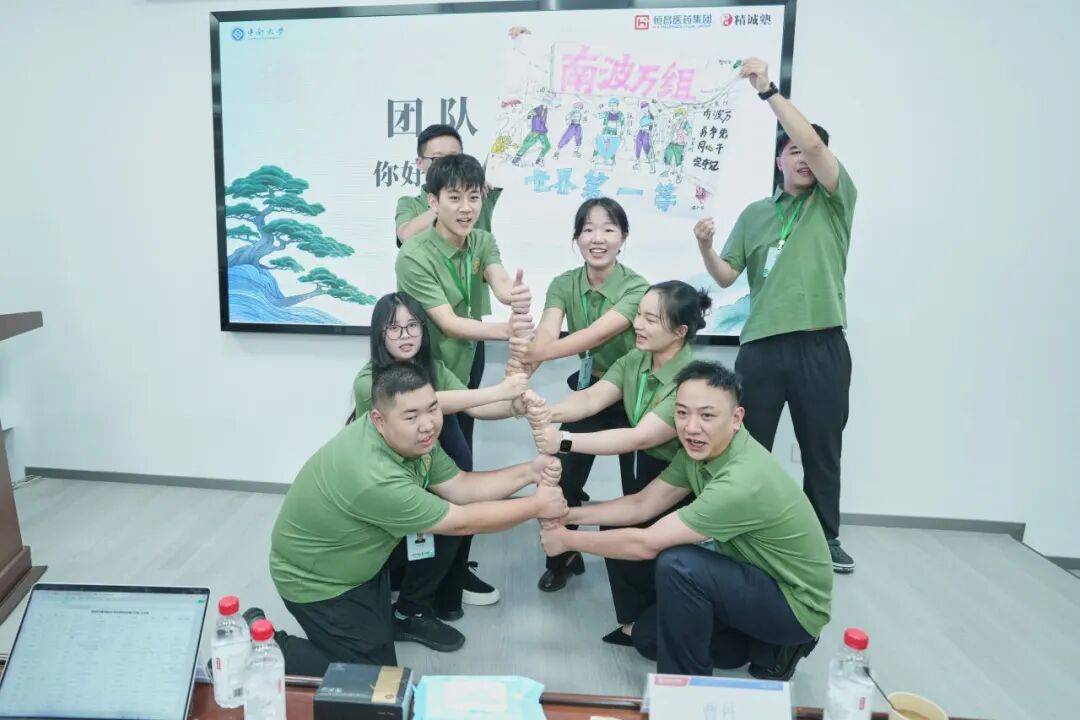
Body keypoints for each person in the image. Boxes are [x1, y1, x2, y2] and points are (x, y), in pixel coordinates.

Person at [256, 362, 567, 677]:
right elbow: (461, 521)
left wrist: (530, 471)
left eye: (432, 409)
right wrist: (536, 505)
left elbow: (461, 487)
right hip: (316, 581)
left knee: (379, 664)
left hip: (359, 565)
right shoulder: (374, 475)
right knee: (371, 680)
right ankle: (258, 646)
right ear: (379, 420)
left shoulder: (412, 441)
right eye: (411, 416)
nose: (427, 424)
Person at [539, 360, 832, 680]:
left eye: (707, 416)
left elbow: (646, 544)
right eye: (681, 413)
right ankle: (764, 648)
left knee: (679, 565)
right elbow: (642, 504)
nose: (691, 427)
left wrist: (566, 540)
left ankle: (685, 694)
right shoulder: (699, 452)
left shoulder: (742, 479)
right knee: (647, 639)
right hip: (751, 576)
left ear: (736, 418)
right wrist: (567, 515)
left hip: (794, 604)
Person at [693, 57, 858, 573]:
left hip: (821, 344)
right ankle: (737, 529)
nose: (805, 157)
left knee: (821, 447)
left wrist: (767, 90)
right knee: (745, 446)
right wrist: (705, 247)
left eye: (812, 149)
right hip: (762, 347)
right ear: (780, 160)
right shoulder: (756, 214)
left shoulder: (834, 202)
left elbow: (816, 147)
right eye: (794, 150)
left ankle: (824, 537)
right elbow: (726, 277)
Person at [530, 281, 708, 640]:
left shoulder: (692, 379)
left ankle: (666, 621)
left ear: (680, 332)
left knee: (655, 546)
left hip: (678, 476)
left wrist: (564, 440)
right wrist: (545, 411)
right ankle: (635, 624)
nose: (637, 324)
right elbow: (592, 399)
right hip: (642, 463)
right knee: (619, 531)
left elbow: (641, 436)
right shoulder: (635, 360)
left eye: (650, 320)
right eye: (638, 315)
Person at [351, 292, 528, 629]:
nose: (405, 335)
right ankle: (409, 608)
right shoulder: (368, 381)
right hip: (381, 486)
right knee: (445, 521)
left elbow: (477, 406)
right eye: (394, 328)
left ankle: (422, 599)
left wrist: (515, 405)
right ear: (379, 335)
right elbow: (425, 401)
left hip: (419, 474)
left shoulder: (435, 368)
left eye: (413, 325)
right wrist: (499, 391)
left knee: (451, 514)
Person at [508, 197, 648, 592]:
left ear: (623, 238)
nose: (597, 238)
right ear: (576, 238)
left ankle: (642, 572)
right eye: (588, 229)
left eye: (608, 229)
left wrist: (528, 353)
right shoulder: (564, 284)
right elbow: (547, 335)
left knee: (638, 488)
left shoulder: (637, 288)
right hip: (591, 391)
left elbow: (593, 336)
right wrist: (517, 383)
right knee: (561, 474)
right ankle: (564, 557)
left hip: (638, 394)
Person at [394, 125, 502, 454]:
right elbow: (405, 235)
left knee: (464, 421)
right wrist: (448, 199)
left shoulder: (479, 210)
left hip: (471, 334)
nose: (467, 207)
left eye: (454, 157)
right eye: (438, 159)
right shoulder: (413, 205)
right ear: (420, 163)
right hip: (430, 338)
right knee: (425, 429)